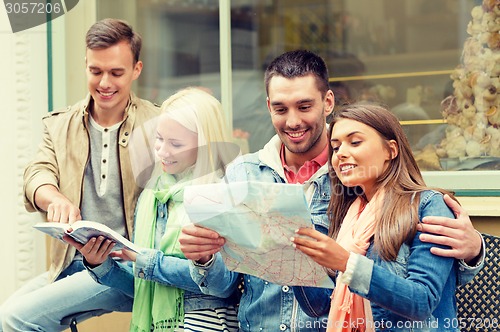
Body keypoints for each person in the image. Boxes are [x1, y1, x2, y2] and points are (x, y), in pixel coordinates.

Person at [178, 50, 484, 332]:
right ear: (268, 107)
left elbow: (427, 291)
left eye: (304, 106)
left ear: (328, 102)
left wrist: (474, 251)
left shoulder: (361, 191)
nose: (293, 120)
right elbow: (315, 300)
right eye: (337, 146)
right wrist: (207, 258)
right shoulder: (343, 202)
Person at [0, 18, 160, 331]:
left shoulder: (160, 123)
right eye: (96, 71)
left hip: (126, 268)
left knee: (14, 320)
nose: (104, 83)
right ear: (85, 64)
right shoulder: (60, 124)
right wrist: (53, 196)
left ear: (137, 70)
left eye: (116, 72)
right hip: (70, 262)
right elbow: (37, 173)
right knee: (5, 319)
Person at [65, 87, 240, 331]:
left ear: (204, 145)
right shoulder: (153, 195)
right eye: (159, 138)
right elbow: (142, 286)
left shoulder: (223, 193)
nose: (162, 151)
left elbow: (224, 284)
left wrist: (147, 262)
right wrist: (100, 264)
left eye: (176, 144)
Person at [292, 103, 467, 331]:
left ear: (391, 150)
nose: (341, 153)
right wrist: (292, 261)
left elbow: (422, 302)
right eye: (335, 147)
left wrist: (347, 263)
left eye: (355, 142)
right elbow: (320, 307)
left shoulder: (428, 206)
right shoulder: (348, 214)